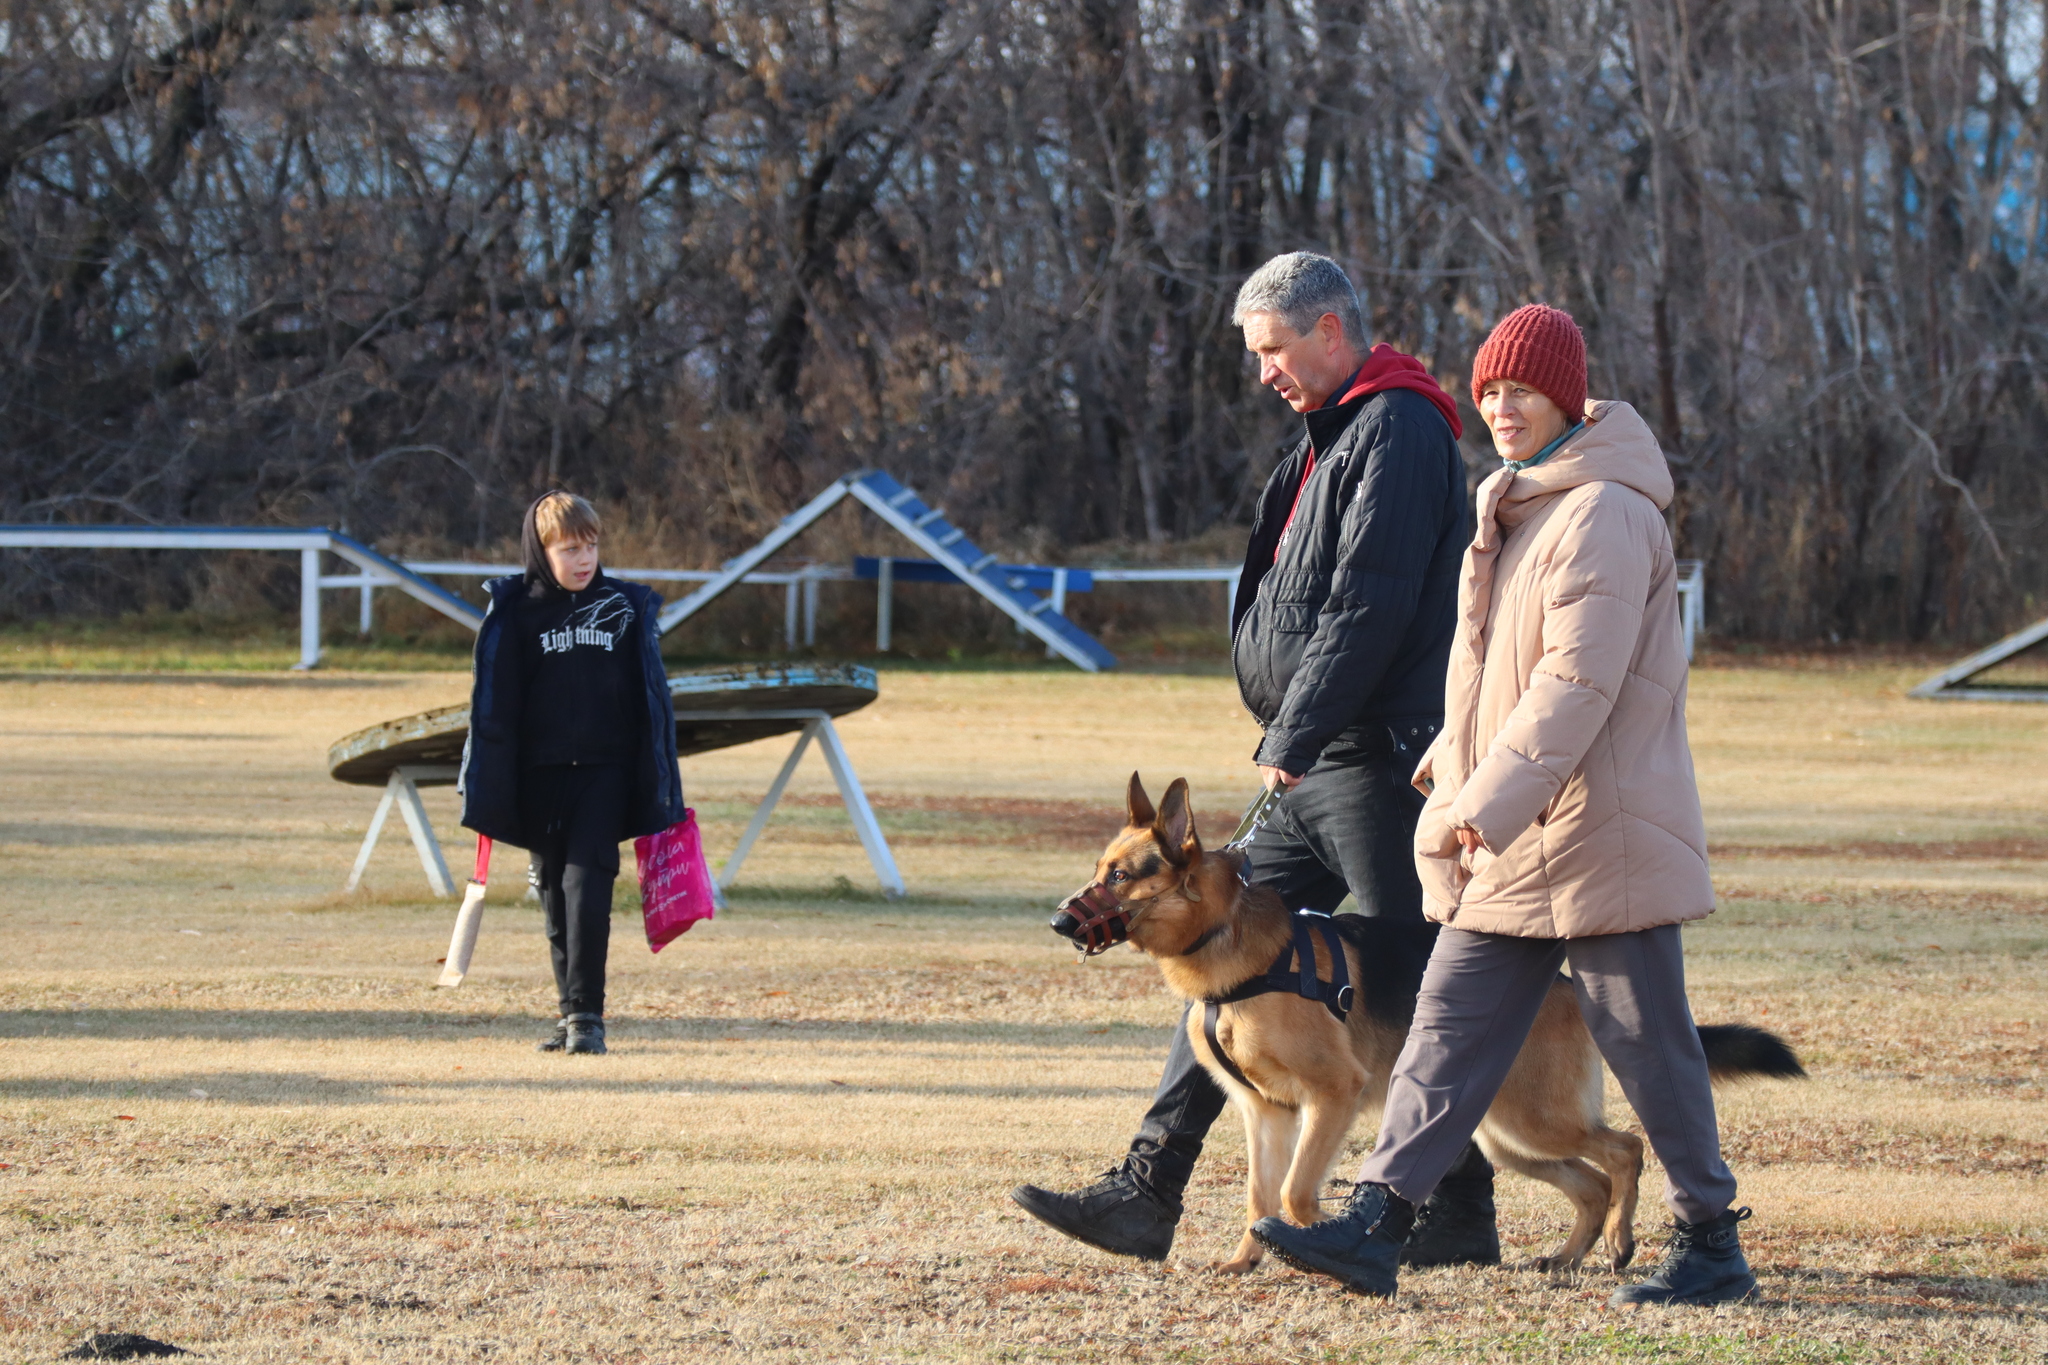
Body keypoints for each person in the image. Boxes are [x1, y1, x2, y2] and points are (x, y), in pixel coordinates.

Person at [1249, 304, 1758, 1306]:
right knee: (1441, 1031)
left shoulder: (1603, 511)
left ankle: (1707, 1241)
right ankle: (1378, 1222)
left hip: (1593, 830)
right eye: (1485, 391)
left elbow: (1576, 687)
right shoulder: (1523, 507)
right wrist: (1454, 753)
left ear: (1565, 397)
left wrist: (1486, 803)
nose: (1497, 407)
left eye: (1517, 389)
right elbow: (1506, 678)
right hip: (1521, 828)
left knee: (1647, 1046)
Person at [1011, 252, 1499, 1267]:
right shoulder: (1323, 438)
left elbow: (1370, 600)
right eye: (1254, 354)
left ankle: (1455, 1216)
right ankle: (1147, 1190)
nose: (1261, 371)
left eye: (1271, 349)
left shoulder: (1400, 428)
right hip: (1315, 756)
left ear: (1329, 329)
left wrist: (1292, 733)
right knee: (1212, 955)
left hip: (1380, 758)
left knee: (1412, 979)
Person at [458, 491, 684, 1056]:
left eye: (591, 546)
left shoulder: (624, 606)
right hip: (540, 776)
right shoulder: (516, 610)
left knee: (588, 887)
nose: (583, 559)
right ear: (541, 549)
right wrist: (490, 780)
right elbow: (497, 706)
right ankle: (570, 1012)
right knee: (554, 895)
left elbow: (648, 698)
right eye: (569, 549)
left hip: (604, 774)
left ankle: (588, 1016)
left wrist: (654, 778)